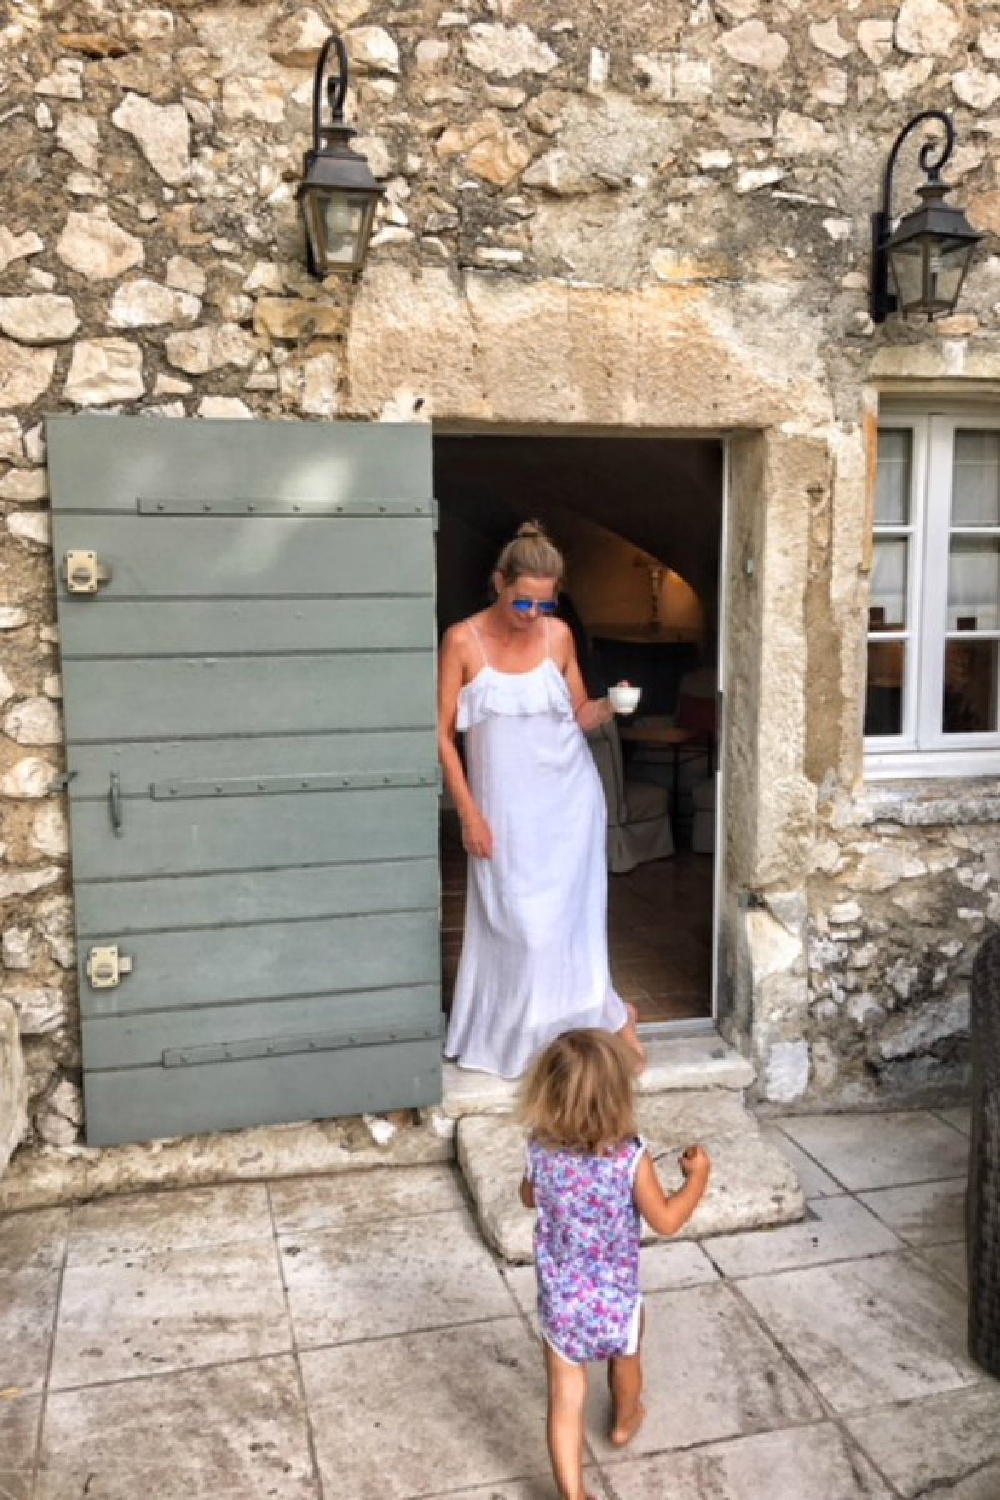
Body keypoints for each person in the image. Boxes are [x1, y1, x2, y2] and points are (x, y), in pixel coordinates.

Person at [439, 520, 643, 1077]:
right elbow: (441, 733)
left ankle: (576, 1037)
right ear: (498, 583)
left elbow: (578, 717)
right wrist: (468, 813)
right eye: (522, 603)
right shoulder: (464, 640)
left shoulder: (559, 638)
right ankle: (523, 1038)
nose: (532, 616)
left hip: (568, 802)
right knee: (518, 926)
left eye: (545, 606)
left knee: (568, 927)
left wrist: (611, 706)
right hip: (502, 813)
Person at [519, 1029, 712, 1500]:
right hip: (617, 1300)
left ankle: (573, 1493)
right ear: (618, 1096)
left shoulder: (540, 1150)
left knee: (565, 1399)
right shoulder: (630, 1158)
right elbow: (666, 1219)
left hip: (562, 1300)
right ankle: (626, 1420)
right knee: (626, 1359)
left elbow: (528, 1197)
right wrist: (698, 1178)